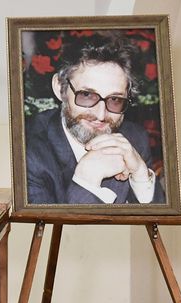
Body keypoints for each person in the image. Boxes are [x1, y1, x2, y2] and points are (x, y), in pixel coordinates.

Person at [25, 36, 163, 205]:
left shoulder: (135, 139)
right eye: (87, 95)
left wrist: (141, 176)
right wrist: (86, 180)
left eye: (115, 100)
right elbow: (44, 221)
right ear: (60, 88)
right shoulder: (27, 150)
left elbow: (158, 217)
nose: (101, 115)